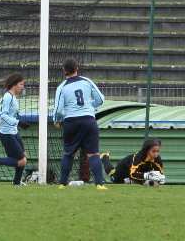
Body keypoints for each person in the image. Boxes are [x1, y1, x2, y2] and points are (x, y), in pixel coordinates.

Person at [52, 58, 107, 190]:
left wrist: (57, 120)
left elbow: (58, 109)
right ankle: (100, 184)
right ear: (77, 68)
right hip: (89, 120)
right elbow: (100, 99)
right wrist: (89, 106)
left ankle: (62, 184)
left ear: (64, 71)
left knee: (68, 153)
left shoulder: (62, 87)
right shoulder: (87, 81)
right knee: (93, 154)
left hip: (71, 122)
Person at [0, 73, 30, 186]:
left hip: (14, 132)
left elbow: (14, 114)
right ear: (14, 85)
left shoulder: (13, 97)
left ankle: (16, 182)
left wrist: (20, 121)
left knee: (24, 156)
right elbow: (3, 115)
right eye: (21, 84)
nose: (22, 87)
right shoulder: (7, 97)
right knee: (21, 161)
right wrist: (18, 122)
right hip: (7, 133)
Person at [101, 138, 165, 186]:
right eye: (153, 151)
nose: (156, 154)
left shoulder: (157, 159)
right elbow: (133, 174)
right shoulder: (139, 157)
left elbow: (160, 174)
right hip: (123, 167)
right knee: (112, 174)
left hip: (137, 172)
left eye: (158, 151)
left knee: (132, 182)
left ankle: (129, 181)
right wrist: (147, 176)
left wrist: (161, 179)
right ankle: (105, 157)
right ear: (147, 150)